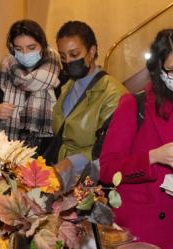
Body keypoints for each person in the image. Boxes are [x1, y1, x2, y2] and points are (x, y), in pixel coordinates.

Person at [99, 29, 173, 249]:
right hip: (141, 227)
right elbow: (107, 169)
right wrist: (154, 157)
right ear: (158, 68)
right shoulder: (133, 104)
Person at [0, 19, 60, 154]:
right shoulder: (3, 72)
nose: (25, 53)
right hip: (7, 156)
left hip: (45, 157)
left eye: (31, 48)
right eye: (19, 49)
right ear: (12, 48)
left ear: (42, 45)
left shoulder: (58, 75)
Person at [51, 21, 126, 168]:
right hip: (61, 170)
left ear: (92, 52)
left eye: (74, 54)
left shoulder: (113, 93)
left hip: (89, 176)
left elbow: (109, 148)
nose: (68, 61)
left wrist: (71, 163)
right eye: (63, 56)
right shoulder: (68, 85)